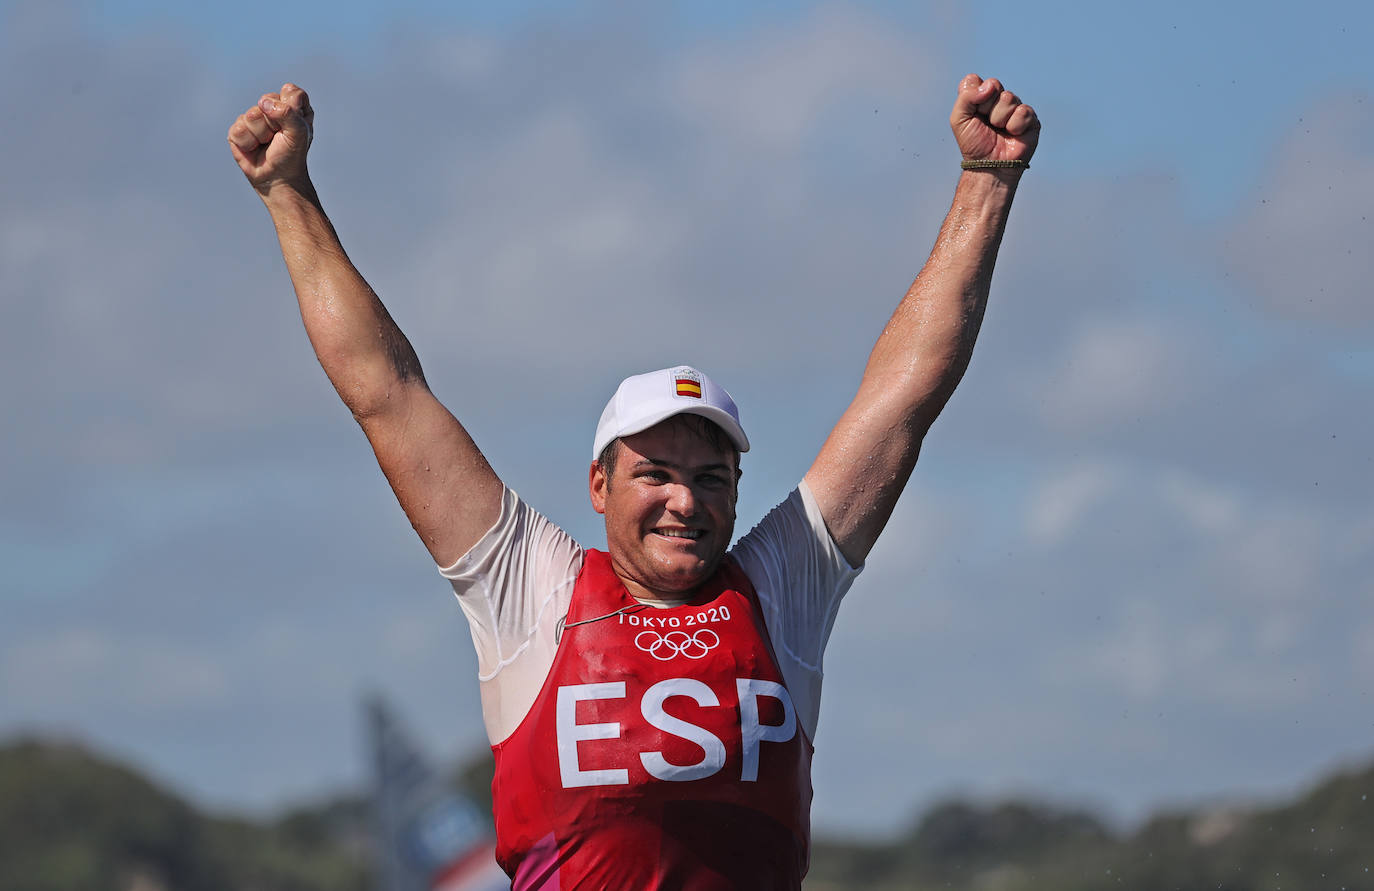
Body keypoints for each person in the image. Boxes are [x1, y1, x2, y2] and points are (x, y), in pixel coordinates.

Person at [228, 72, 1038, 890]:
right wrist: (287, 193)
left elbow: (903, 397)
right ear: (599, 485)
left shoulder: (784, 587)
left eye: (711, 477)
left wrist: (986, 182)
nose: (685, 500)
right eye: (655, 472)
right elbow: (388, 394)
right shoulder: (531, 588)